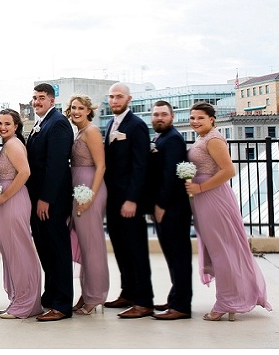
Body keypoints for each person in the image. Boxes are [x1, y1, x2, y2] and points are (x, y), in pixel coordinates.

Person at [184, 102, 272, 321]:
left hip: (213, 198)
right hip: (204, 199)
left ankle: (227, 302)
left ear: (211, 119)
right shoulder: (202, 138)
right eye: (192, 117)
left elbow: (229, 170)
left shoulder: (213, 139)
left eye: (200, 118)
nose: (195, 121)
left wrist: (200, 188)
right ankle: (233, 298)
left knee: (222, 251)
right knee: (220, 250)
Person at [103, 83, 154, 319]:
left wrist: (133, 199)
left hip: (129, 200)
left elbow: (141, 165)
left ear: (129, 99)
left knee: (136, 250)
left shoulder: (137, 125)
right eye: (111, 97)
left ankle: (144, 301)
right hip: (113, 199)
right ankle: (128, 293)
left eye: (119, 96)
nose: (114, 100)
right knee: (121, 248)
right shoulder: (110, 124)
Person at [25, 83, 74, 321]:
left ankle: (62, 305)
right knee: (45, 247)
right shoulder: (42, 123)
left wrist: (45, 199)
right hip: (37, 197)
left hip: (51, 200)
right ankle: (52, 294)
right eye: (34, 98)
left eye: (41, 98)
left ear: (52, 101)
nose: (37, 102)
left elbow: (57, 165)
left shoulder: (58, 123)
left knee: (57, 249)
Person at [0, 109, 43, 319]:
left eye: (7, 124)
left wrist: (3, 197)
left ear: (16, 126)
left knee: (20, 251)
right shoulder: (7, 144)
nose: (2, 127)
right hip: (6, 202)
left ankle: (25, 303)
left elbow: (25, 172)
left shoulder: (13, 144)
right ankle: (18, 299)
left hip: (13, 201)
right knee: (11, 252)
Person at [64, 95, 109, 316]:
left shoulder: (91, 131)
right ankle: (86, 293)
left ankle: (95, 296)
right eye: (73, 108)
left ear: (88, 110)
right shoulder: (79, 132)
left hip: (89, 188)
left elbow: (101, 166)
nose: (76, 111)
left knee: (92, 245)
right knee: (83, 245)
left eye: (81, 108)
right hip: (78, 187)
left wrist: (90, 196)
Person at [147, 101, 192, 320]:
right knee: (173, 257)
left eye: (163, 114)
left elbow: (169, 176)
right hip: (168, 207)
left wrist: (160, 206)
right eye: (156, 114)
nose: (159, 118)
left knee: (178, 257)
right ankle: (175, 298)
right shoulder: (161, 137)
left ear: (172, 117)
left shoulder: (172, 139)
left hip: (173, 209)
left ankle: (181, 306)